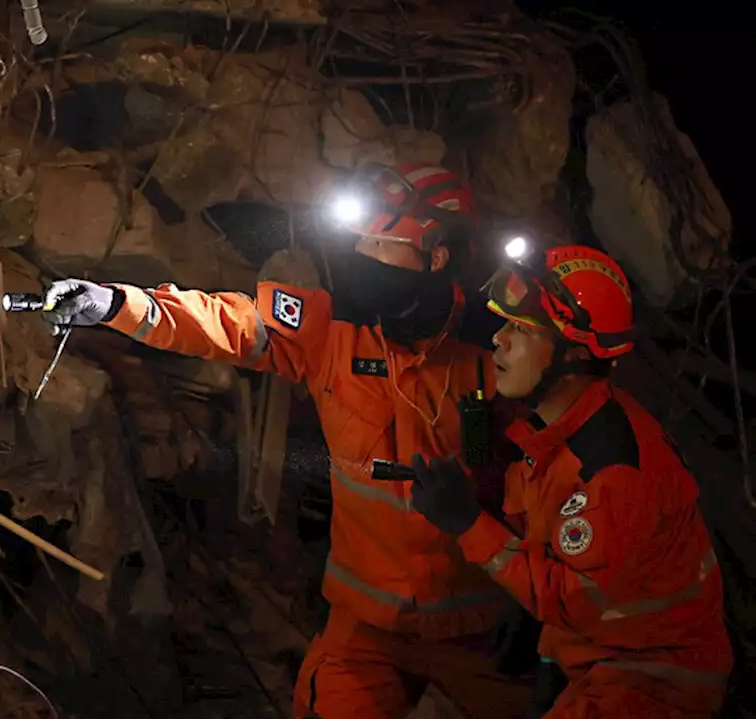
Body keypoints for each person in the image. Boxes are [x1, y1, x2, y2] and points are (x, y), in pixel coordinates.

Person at [42, 163, 534, 718]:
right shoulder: (332, 329)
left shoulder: (499, 351)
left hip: (479, 625)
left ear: (437, 257)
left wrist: (530, 601)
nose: (363, 257)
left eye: (383, 242)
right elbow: (229, 321)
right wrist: (114, 305)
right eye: (362, 240)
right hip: (366, 626)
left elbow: (542, 480)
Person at [407, 241, 732, 718]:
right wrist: (545, 650)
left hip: (656, 685)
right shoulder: (555, 430)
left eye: (520, 329)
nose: (498, 339)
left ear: (574, 353)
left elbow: (570, 599)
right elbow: (556, 556)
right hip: (602, 659)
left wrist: (468, 524)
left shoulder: (611, 471)